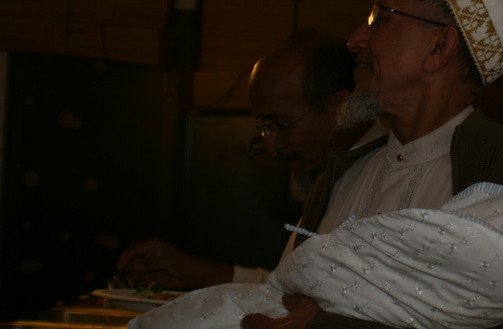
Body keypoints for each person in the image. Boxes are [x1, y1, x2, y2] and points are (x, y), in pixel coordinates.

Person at [129, 0, 503, 329]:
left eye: (379, 19)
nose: (354, 40)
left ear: (438, 47)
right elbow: (283, 303)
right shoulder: (344, 172)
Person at [116, 29, 382, 290]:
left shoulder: (379, 185)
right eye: (263, 127)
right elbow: (289, 291)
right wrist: (194, 273)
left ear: (340, 107)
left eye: (281, 124)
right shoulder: (333, 180)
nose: (269, 143)